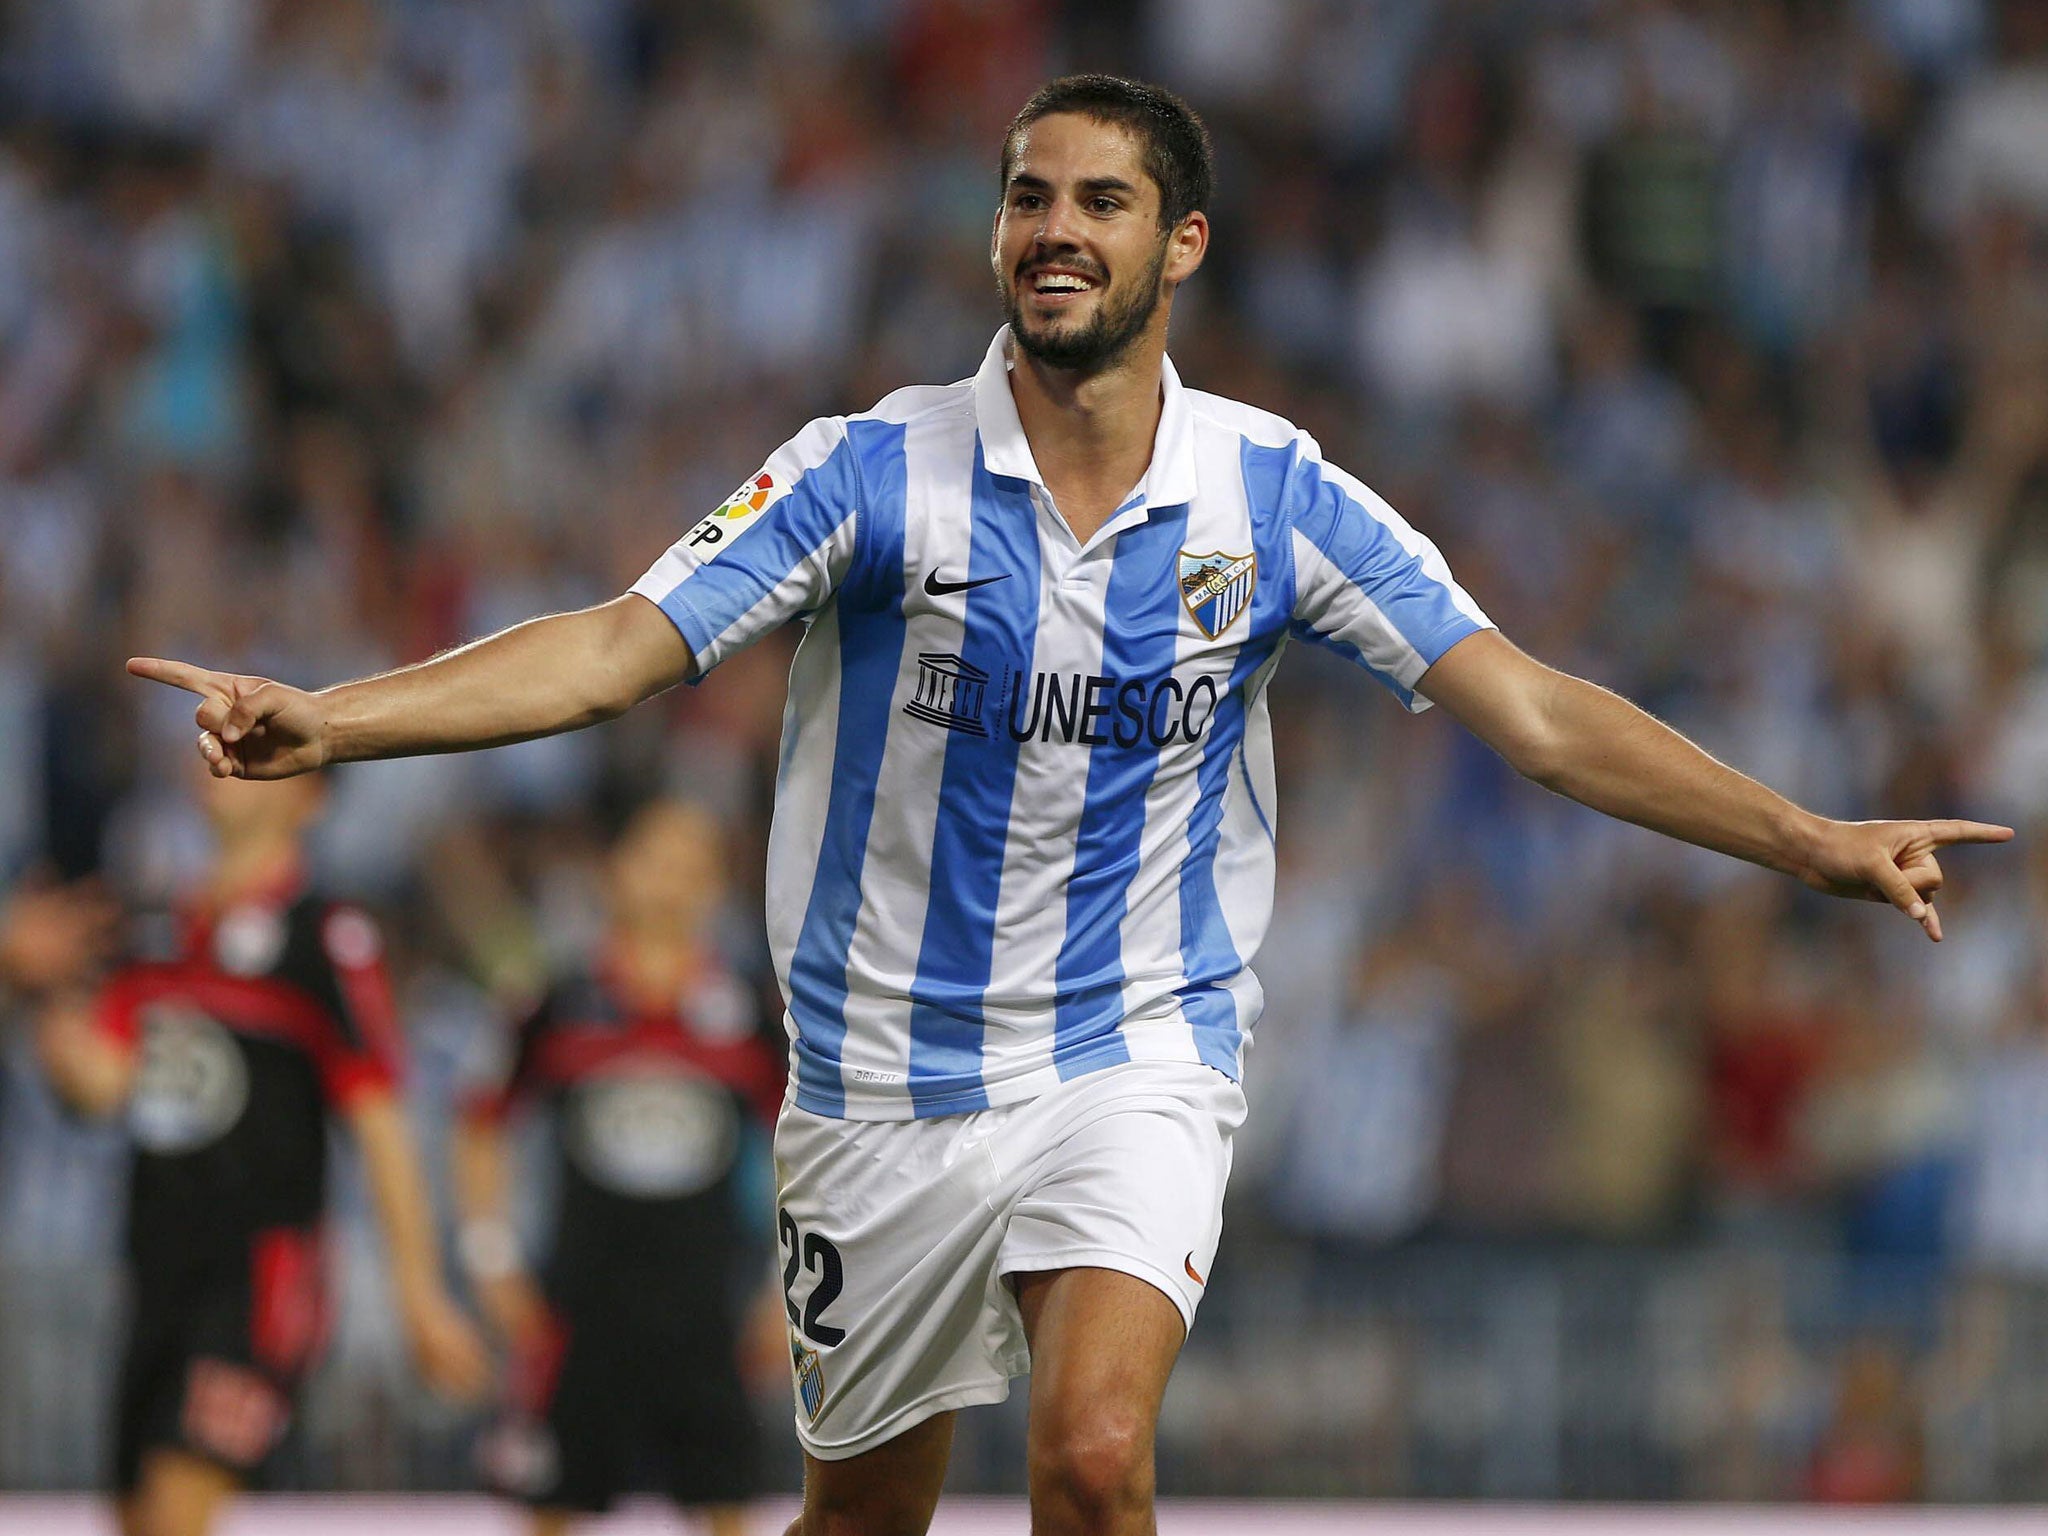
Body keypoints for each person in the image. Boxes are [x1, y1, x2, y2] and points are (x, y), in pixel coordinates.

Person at [126, 74, 2012, 1536]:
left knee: (1096, 1454)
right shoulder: (871, 471)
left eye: (1099, 201)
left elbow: (1526, 707)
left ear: (1177, 244)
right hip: (874, 1077)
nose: (1053, 228)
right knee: (864, 1505)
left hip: (1135, 1048)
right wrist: (337, 722)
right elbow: (621, 646)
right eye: (1028, 194)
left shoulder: (1271, 498)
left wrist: (1811, 838)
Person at [34, 766, 489, 1536]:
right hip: (156, 1267)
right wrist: (39, 993)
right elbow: (100, 1088)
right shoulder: (158, 932)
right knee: (141, 1521)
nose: (218, 768)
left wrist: (421, 1292)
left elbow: (380, 1122)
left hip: (261, 1275)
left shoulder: (326, 938)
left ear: (307, 798)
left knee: (180, 1509)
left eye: (256, 757)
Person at [453, 798, 783, 1536]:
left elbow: (804, 1147)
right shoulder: (553, 1001)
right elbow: (479, 1122)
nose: (672, 881)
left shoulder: (755, 1013)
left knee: (728, 1505)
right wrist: (490, 1257)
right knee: (549, 1504)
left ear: (715, 888)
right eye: (656, 858)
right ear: (613, 872)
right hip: (577, 1307)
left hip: (710, 1309)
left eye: (693, 866)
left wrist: (785, 1287)